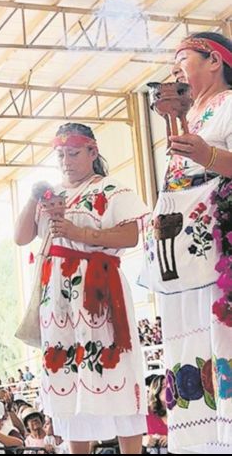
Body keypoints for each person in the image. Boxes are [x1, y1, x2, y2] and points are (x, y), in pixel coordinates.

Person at [14, 122, 149, 454]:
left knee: (113, 366)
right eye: (60, 155)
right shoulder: (51, 195)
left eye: (73, 153)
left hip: (99, 291)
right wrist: (34, 199)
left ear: (92, 151)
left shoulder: (110, 189)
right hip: (57, 297)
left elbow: (131, 235)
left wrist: (83, 235)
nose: (65, 161)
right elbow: (20, 237)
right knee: (68, 378)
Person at [140, 31, 232, 454]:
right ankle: (200, 442)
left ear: (215, 60)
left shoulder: (230, 103)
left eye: (183, 60)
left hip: (219, 240)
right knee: (186, 338)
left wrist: (206, 156)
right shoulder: (190, 116)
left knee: (221, 333)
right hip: (178, 246)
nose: (176, 70)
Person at [144, 375, 168, 454]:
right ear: (156, 390)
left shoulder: (180, 412)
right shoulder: (147, 412)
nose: (168, 389)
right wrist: (143, 440)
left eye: (170, 386)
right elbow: (129, 433)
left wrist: (172, 439)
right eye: (164, 386)